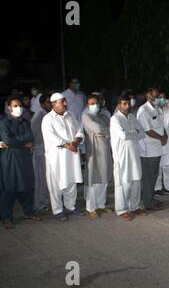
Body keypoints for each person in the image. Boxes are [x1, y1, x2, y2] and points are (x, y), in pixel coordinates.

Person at [41, 93, 85, 221]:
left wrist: (76, 141)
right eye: (62, 102)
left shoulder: (70, 115)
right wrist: (67, 145)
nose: (65, 104)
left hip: (71, 156)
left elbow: (79, 130)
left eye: (65, 101)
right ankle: (58, 210)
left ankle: (70, 207)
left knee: (71, 182)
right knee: (56, 184)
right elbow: (51, 136)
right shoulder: (48, 119)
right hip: (56, 158)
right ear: (53, 103)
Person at [0, 96, 41, 229]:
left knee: (27, 186)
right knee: (9, 188)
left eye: (20, 105)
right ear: (9, 108)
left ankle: (29, 212)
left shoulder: (25, 122)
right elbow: (7, 140)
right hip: (10, 159)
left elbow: (30, 137)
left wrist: (15, 142)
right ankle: (6, 217)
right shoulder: (4, 122)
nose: (19, 108)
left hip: (24, 158)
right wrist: (23, 144)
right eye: (15, 106)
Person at [110, 95, 146, 221]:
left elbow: (142, 133)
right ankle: (122, 209)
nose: (127, 106)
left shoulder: (132, 117)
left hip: (134, 153)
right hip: (122, 155)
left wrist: (133, 134)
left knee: (136, 180)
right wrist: (134, 133)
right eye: (124, 103)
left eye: (128, 103)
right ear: (119, 105)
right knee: (124, 182)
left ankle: (134, 206)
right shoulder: (115, 119)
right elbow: (123, 135)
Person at [82, 94, 113, 218]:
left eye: (96, 102)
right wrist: (105, 133)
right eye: (92, 103)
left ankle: (101, 205)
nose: (95, 105)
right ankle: (90, 207)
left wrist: (105, 134)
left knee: (104, 178)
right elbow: (98, 128)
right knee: (93, 179)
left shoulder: (104, 116)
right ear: (87, 105)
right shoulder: (86, 116)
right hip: (94, 152)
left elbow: (111, 129)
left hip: (105, 151)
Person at [137, 88, 167, 211]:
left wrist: (164, 135)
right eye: (156, 95)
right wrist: (161, 137)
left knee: (154, 175)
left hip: (157, 148)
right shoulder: (143, 110)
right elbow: (147, 130)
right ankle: (147, 203)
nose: (159, 98)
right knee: (148, 177)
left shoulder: (157, 109)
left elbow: (161, 125)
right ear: (149, 95)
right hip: (148, 149)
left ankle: (151, 198)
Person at [30, 93, 52, 213]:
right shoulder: (39, 115)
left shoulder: (48, 115)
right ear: (42, 104)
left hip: (48, 150)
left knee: (48, 178)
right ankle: (39, 204)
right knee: (40, 178)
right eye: (48, 102)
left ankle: (46, 201)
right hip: (40, 150)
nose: (51, 104)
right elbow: (32, 133)